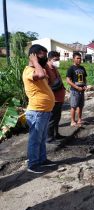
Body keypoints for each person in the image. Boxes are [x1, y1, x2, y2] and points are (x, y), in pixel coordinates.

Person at [22, 44, 56, 173]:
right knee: (35, 139)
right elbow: (41, 75)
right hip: (36, 111)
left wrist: (45, 65)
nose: (45, 58)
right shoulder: (29, 71)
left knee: (41, 139)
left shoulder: (40, 69)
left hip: (44, 111)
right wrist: (36, 62)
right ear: (34, 56)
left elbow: (52, 80)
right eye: (42, 55)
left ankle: (42, 159)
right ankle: (33, 164)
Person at [45, 51, 66, 143]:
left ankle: (56, 134)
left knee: (57, 118)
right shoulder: (46, 70)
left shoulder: (54, 68)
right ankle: (49, 138)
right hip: (54, 98)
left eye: (58, 59)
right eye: (55, 59)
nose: (57, 61)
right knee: (52, 119)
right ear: (49, 59)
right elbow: (48, 85)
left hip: (59, 98)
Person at [66, 52, 87, 127]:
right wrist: (76, 87)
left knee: (81, 106)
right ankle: (72, 121)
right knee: (73, 106)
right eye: (77, 58)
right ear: (73, 59)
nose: (79, 60)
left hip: (82, 90)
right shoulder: (71, 68)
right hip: (74, 90)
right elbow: (68, 80)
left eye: (80, 58)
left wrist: (85, 85)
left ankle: (79, 119)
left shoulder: (82, 68)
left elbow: (84, 78)